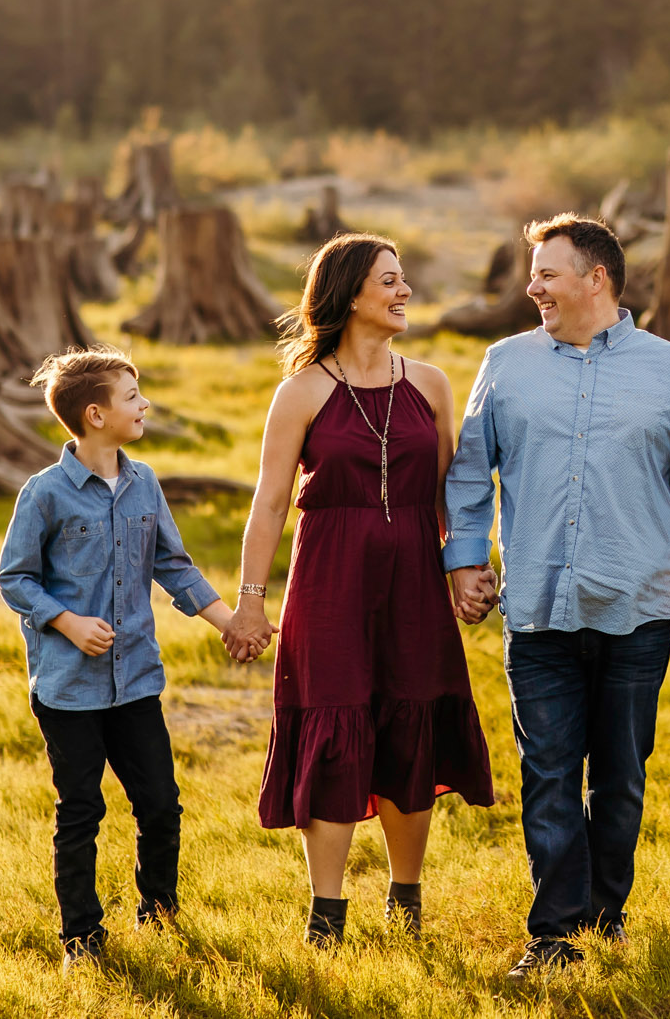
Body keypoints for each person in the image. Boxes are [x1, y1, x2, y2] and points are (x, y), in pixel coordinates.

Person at [443, 213, 670, 981]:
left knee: (623, 777)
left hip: (637, 604)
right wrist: (466, 562)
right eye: (533, 273)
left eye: (547, 273)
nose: (532, 286)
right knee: (551, 772)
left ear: (596, 278)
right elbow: (469, 474)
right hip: (536, 604)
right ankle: (554, 932)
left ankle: (607, 913)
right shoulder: (505, 362)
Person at [233, 233, 496, 947]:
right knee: (335, 725)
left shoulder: (432, 383)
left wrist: (467, 567)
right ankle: (327, 913)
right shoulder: (303, 390)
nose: (404, 290)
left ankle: (405, 898)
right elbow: (268, 502)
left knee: (412, 719)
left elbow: (454, 495)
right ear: (351, 294)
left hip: (414, 577)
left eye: (404, 278)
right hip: (329, 582)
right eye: (390, 280)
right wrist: (252, 599)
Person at [0, 345, 246, 971]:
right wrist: (69, 622)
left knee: (160, 802)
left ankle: (158, 913)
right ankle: (81, 937)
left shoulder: (145, 483)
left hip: (135, 681)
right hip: (68, 689)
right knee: (81, 810)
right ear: (95, 415)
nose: (144, 406)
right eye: (132, 397)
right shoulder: (45, 494)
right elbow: (15, 579)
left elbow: (172, 564)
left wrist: (230, 623)